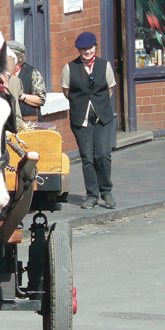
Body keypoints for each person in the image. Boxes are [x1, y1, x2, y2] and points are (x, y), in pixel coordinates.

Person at [62, 32, 117, 209]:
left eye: (90, 47)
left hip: (103, 116)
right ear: (79, 50)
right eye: (84, 48)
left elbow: (110, 88)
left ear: (95, 47)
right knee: (87, 158)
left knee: (102, 154)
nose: (88, 51)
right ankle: (91, 195)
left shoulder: (105, 66)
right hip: (81, 118)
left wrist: (98, 104)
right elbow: (66, 91)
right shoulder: (69, 68)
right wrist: (82, 103)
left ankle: (106, 191)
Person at [8, 41, 47, 122]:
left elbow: (41, 99)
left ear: (20, 58)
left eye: (11, 56)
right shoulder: (1, 73)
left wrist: (22, 96)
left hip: (28, 121)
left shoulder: (32, 73)